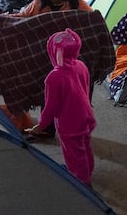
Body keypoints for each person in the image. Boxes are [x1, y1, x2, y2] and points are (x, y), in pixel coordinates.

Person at [29, 30, 96, 186]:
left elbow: (51, 106)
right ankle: (87, 172)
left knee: (73, 152)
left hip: (70, 123)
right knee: (85, 147)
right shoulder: (81, 65)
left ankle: (82, 182)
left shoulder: (54, 77)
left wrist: (41, 125)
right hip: (86, 116)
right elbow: (86, 89)